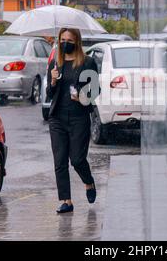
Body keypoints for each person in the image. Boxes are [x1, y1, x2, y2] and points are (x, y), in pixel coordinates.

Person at [47, 28, 100, 214]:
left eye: (69, 39)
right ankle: (66, 201)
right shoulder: (55, 63)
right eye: (62, 39)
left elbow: (95, 91)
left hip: (79, 117)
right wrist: (53, 82)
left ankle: (88, 181)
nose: (65, 43)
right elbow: (49, 94)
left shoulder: (88, 62)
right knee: (60, 161)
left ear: (77, 41)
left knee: (77, 160)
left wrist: (82, 96)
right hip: (57, 118)